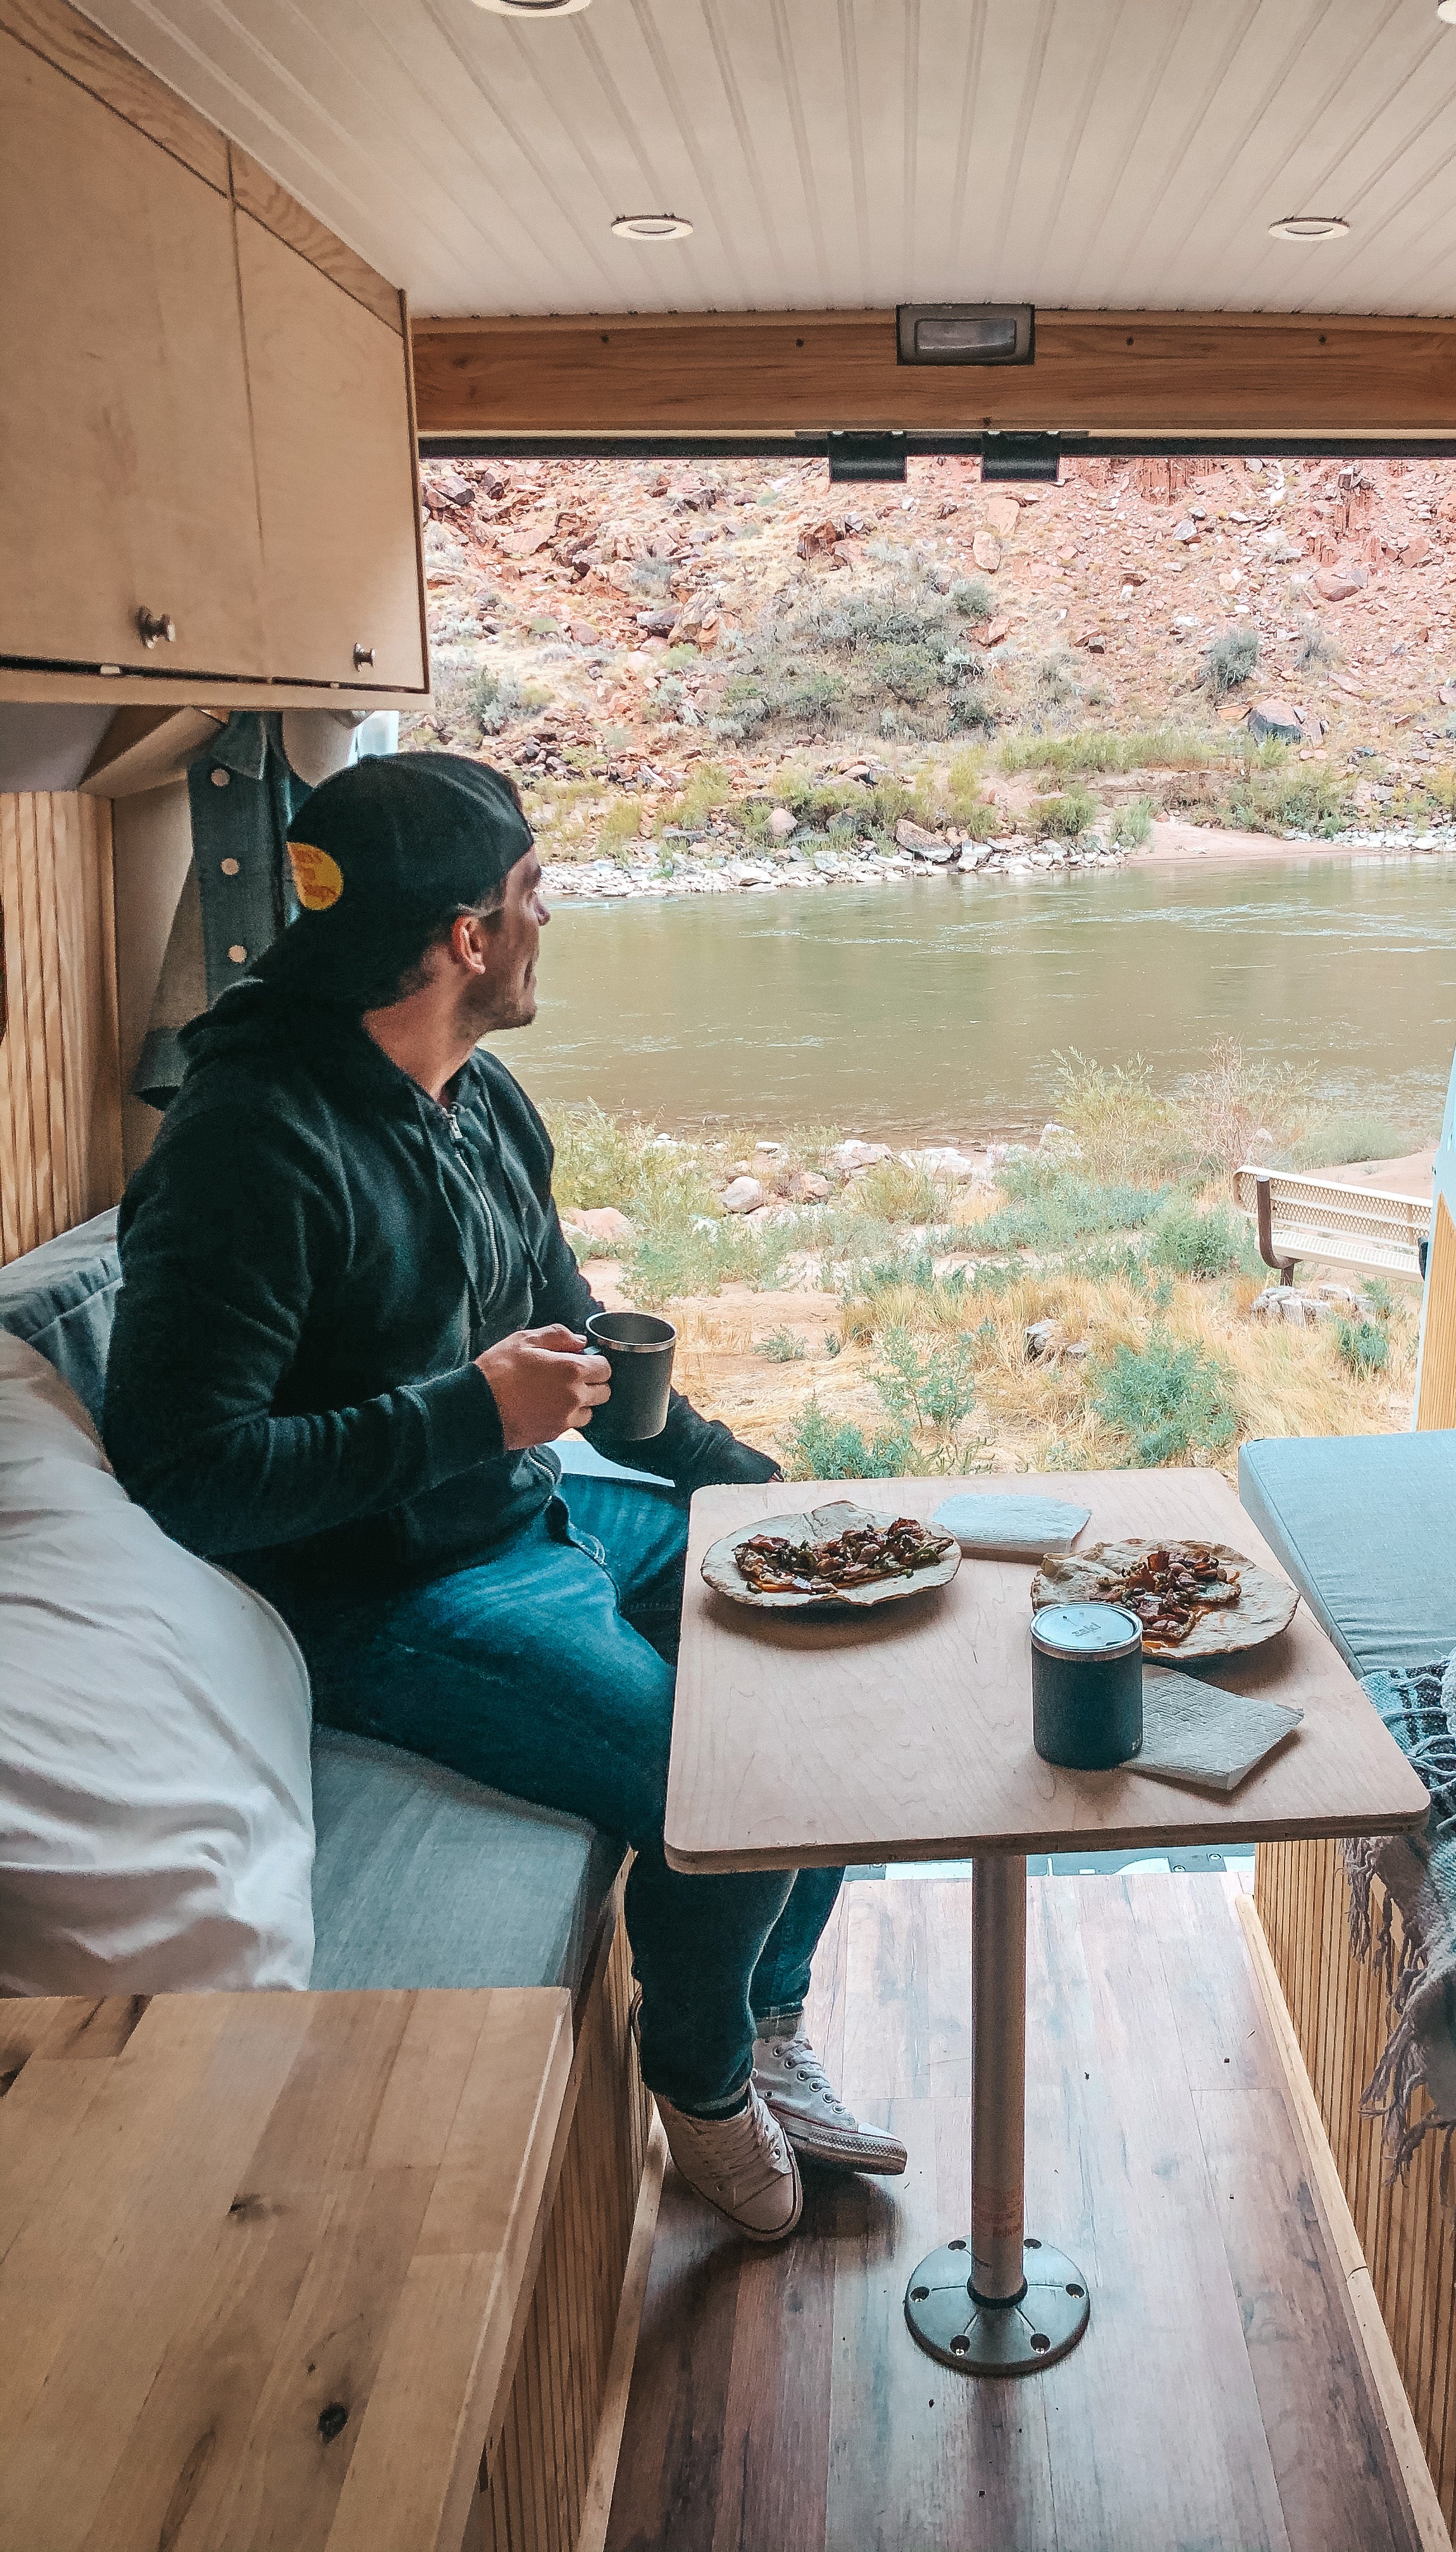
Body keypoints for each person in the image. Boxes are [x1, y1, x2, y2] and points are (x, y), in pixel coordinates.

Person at [104, 751, 902, 2241]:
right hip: (388, 1597)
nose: (552, 916)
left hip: (528, 1511)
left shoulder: (477, 1096)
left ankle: (773, 2022)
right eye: (535, 891)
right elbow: (188, 1476)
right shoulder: (248, 1149)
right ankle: (707, 2084)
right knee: (728, 1795)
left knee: (827, 1634)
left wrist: (752, 1492)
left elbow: (578, 1337)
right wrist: (469, 1413)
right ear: (468, 936)